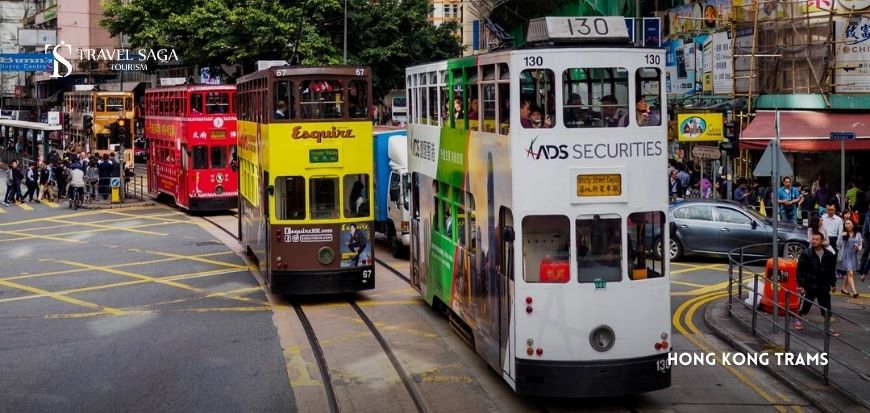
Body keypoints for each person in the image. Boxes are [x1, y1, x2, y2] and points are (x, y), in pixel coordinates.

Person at [794, 232, 838, 336]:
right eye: (813, 239)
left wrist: (833, 284)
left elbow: (831, 270)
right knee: (805, 306)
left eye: (816, 239)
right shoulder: (806, 253)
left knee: (826, 307)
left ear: (822, 241)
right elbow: (800, 270)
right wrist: (800, 284)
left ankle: (827, 327)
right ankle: (799, 318)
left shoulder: (829, 255)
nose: (814, 241)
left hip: (824, 285)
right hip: (810, 285)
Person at [836, 219, 862, 298]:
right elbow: (838, 245)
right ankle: (854, 291)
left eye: (849, 223)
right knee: (850, 273)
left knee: (848, 274)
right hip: (845, 254)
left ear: (853, 225)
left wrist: (858, 248)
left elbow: (860, 244)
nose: (847, 225)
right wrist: (841, 236)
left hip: (853, 255)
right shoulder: (843, 234)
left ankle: (844, 288)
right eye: (846, 224)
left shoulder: (858, 234)